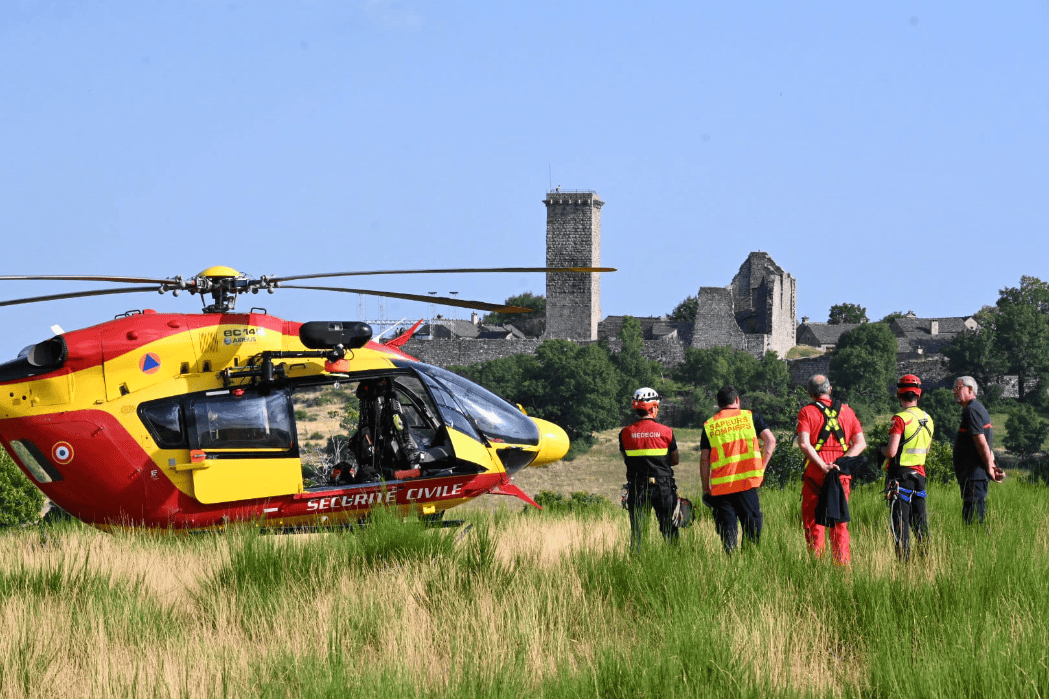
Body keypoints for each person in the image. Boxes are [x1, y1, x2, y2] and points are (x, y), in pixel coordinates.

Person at [796, 374, 867, 565]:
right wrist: (842, 463)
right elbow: (860, 443)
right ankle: (842, 565)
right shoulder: (848, 412)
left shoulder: (806, 413)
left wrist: (822, 465)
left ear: (810, 394)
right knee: (839, 522)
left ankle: (817, 565)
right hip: (841, 475)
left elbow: (804, 444)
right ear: (830, 389)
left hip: (815, 474)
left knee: (813, 523)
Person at [699, 385, 776, 554]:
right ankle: (749, 562)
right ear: (737, 400)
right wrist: (761, 469)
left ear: (718, 404)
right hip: (747, 484)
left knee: (728, 531)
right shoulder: (750, 417)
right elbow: (770, 440)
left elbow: (704, 459)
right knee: (752, 527)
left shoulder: (710, 425)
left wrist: (706, 488)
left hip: (721, 487)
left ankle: (730, 562)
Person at [879, 375, 933, 561]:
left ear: (899, 394)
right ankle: (926, 560)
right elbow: (927, 449)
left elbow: (892, 451)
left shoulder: (900, 419)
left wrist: (880, 449)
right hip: (920, 477)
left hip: (901, 478)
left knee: (900, 524)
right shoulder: (928, 418)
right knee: (921, 524)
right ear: (919, 395)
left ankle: (904, 565)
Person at [619, 387, 680, 549]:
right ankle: (675, 562)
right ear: (653, 407)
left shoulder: (625, 433)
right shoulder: (666, 431)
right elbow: (675, 460)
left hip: (637, 487)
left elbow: (627, 459)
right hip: (663, 487)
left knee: (638, 534)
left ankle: (637, 565)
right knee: (669, 531)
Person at [953, 376, 1004, 525]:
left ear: (970, 389)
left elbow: (981, 440)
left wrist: (989, 467)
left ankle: (976, 545)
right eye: (954, 388)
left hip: (974, 475)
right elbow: (987, 445)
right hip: (974, 475)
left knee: (973, 520)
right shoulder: (977, 409)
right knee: (975, 515)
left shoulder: (971, 410)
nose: (954, 391)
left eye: (958, 387)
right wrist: (993, 466)